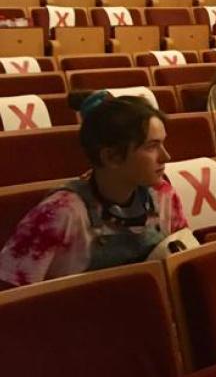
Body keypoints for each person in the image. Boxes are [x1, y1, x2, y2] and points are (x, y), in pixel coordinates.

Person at [0, 92, 186, 287]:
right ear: (111, 157)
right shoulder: (60, 214)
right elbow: (10, 296)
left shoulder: (164, 195)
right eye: (151, 146)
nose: (166, 156)